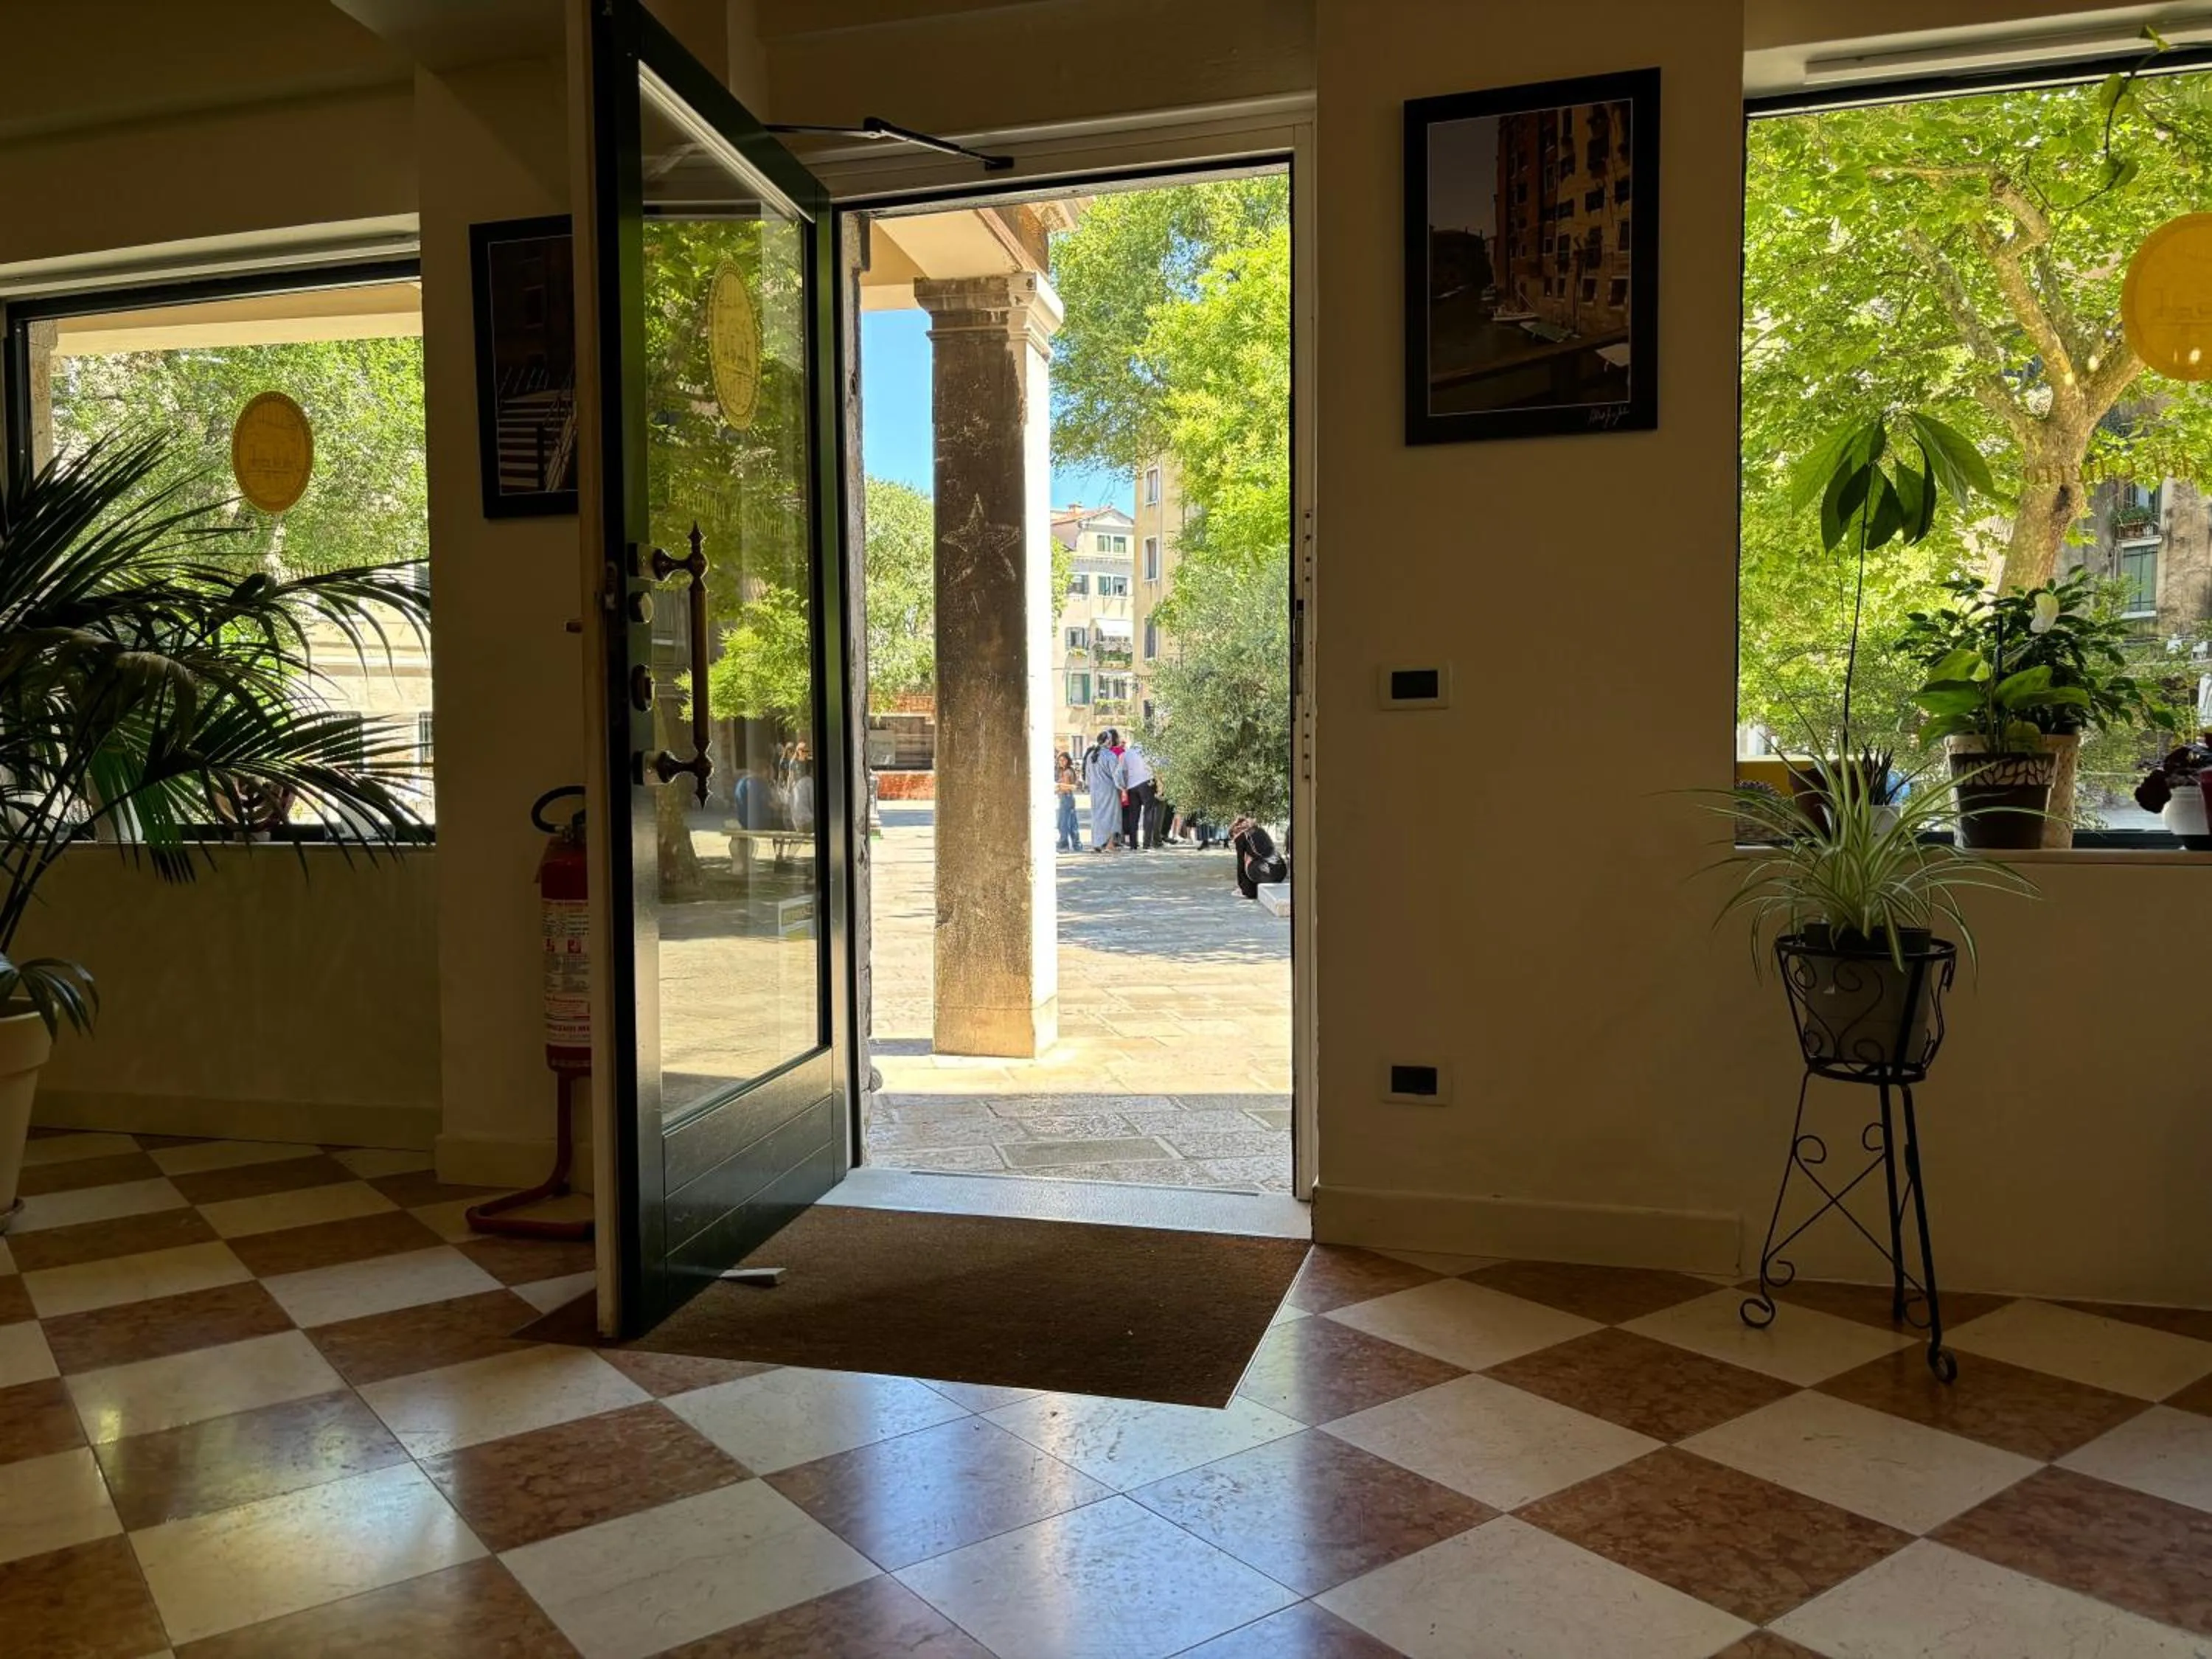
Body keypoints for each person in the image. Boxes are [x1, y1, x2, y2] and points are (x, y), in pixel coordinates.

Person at [1228, 815, 1288, 900]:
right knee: (1257, 857)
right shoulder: (1260, 830)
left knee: (1248, 858)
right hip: (1281, 873)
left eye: (1232, 838)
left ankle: (1250, 890)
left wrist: (1242, 887)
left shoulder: (1241, 836)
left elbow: (1240, 864)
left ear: (1235, 832)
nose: (1234, 841)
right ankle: (1253, 888)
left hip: (1267, 873)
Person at [1085, 733, 1125, 852]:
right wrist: (1123, 787)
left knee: (1097, 817)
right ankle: (1110, 845)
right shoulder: (1110, 755)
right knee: (1112, 816)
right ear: (1108, 741)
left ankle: (1097, 843)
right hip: (1109, 790)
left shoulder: (1091, 755)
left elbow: (1088, 775)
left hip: (1095, 791)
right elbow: (1116, 774)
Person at [1119, 735, 1159, 849]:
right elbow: (1157, 767)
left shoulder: (1127, 753)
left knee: (1133, 815)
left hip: (1132, 786)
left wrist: (1125, 787)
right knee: (1148, 813)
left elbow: (1124, 771)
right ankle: (1147, 844)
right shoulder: (1149, 751)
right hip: (1147, 783)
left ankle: (1133, 844)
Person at [1054, 749, 1081, 852]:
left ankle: (1063, 845)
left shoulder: (1067, 772)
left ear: (1067, 760)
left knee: (1063, 823)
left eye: (1063, 760)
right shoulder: (1067, 771)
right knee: (1072, 823)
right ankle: (1076, 844)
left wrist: (1058, 786)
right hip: (1068, 798)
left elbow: (1070, 787)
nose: (1061, 762)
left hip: (1066, 798)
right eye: (1060, 760)